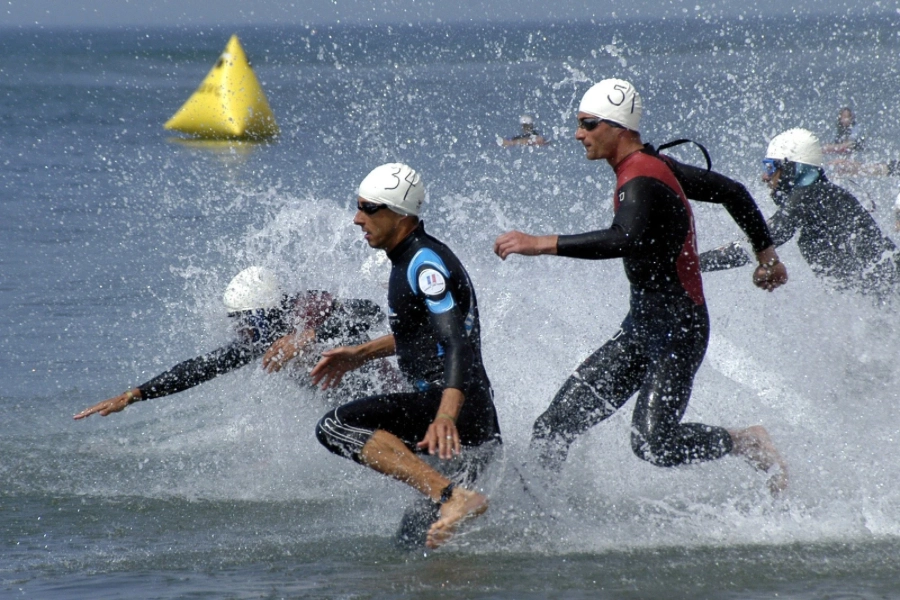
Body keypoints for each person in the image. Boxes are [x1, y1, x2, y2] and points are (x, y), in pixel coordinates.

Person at [493, 78, 789, 494]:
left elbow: (624, 238)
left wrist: (540, 243)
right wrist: (766, 257)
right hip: (642, 328)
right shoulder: (653, 167)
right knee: (554, 425)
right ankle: (539, 516)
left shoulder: (643, 178)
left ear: (619, 128)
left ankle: (746, 442)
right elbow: (733, 192)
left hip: (678, 332)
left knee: (653, 443)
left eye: (588, 124)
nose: (579, 134)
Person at [310, 163, 501, 549]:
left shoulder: (423, 264)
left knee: (335, 427)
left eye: (368, 208)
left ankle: (452, 497)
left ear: (399, 214)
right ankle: (453, 504)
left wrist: (446, 416)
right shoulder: (409, 258)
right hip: (470, 419)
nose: (356, 218)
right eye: (358, 206)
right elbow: (420, 333)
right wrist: (361, 353)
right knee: (414, 546)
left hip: (453, 412)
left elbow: (456, 342)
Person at [74, 266, 388, 420]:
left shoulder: (306, 310)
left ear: (270, 311)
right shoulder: (260, 339)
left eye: (249, 319)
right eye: (238, 321)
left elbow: (370, 312)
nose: (244, 329)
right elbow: (202, 368)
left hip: (383, 392)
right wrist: (135, 394)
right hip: (348, 407)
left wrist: (306, 337)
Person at [701, 128, 900, 301]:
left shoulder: (809, 195)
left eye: (770, 167)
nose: (764, 177)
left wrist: (691, 263)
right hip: (883, 298)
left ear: (791, 168)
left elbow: (761, 240)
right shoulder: (822, 194)